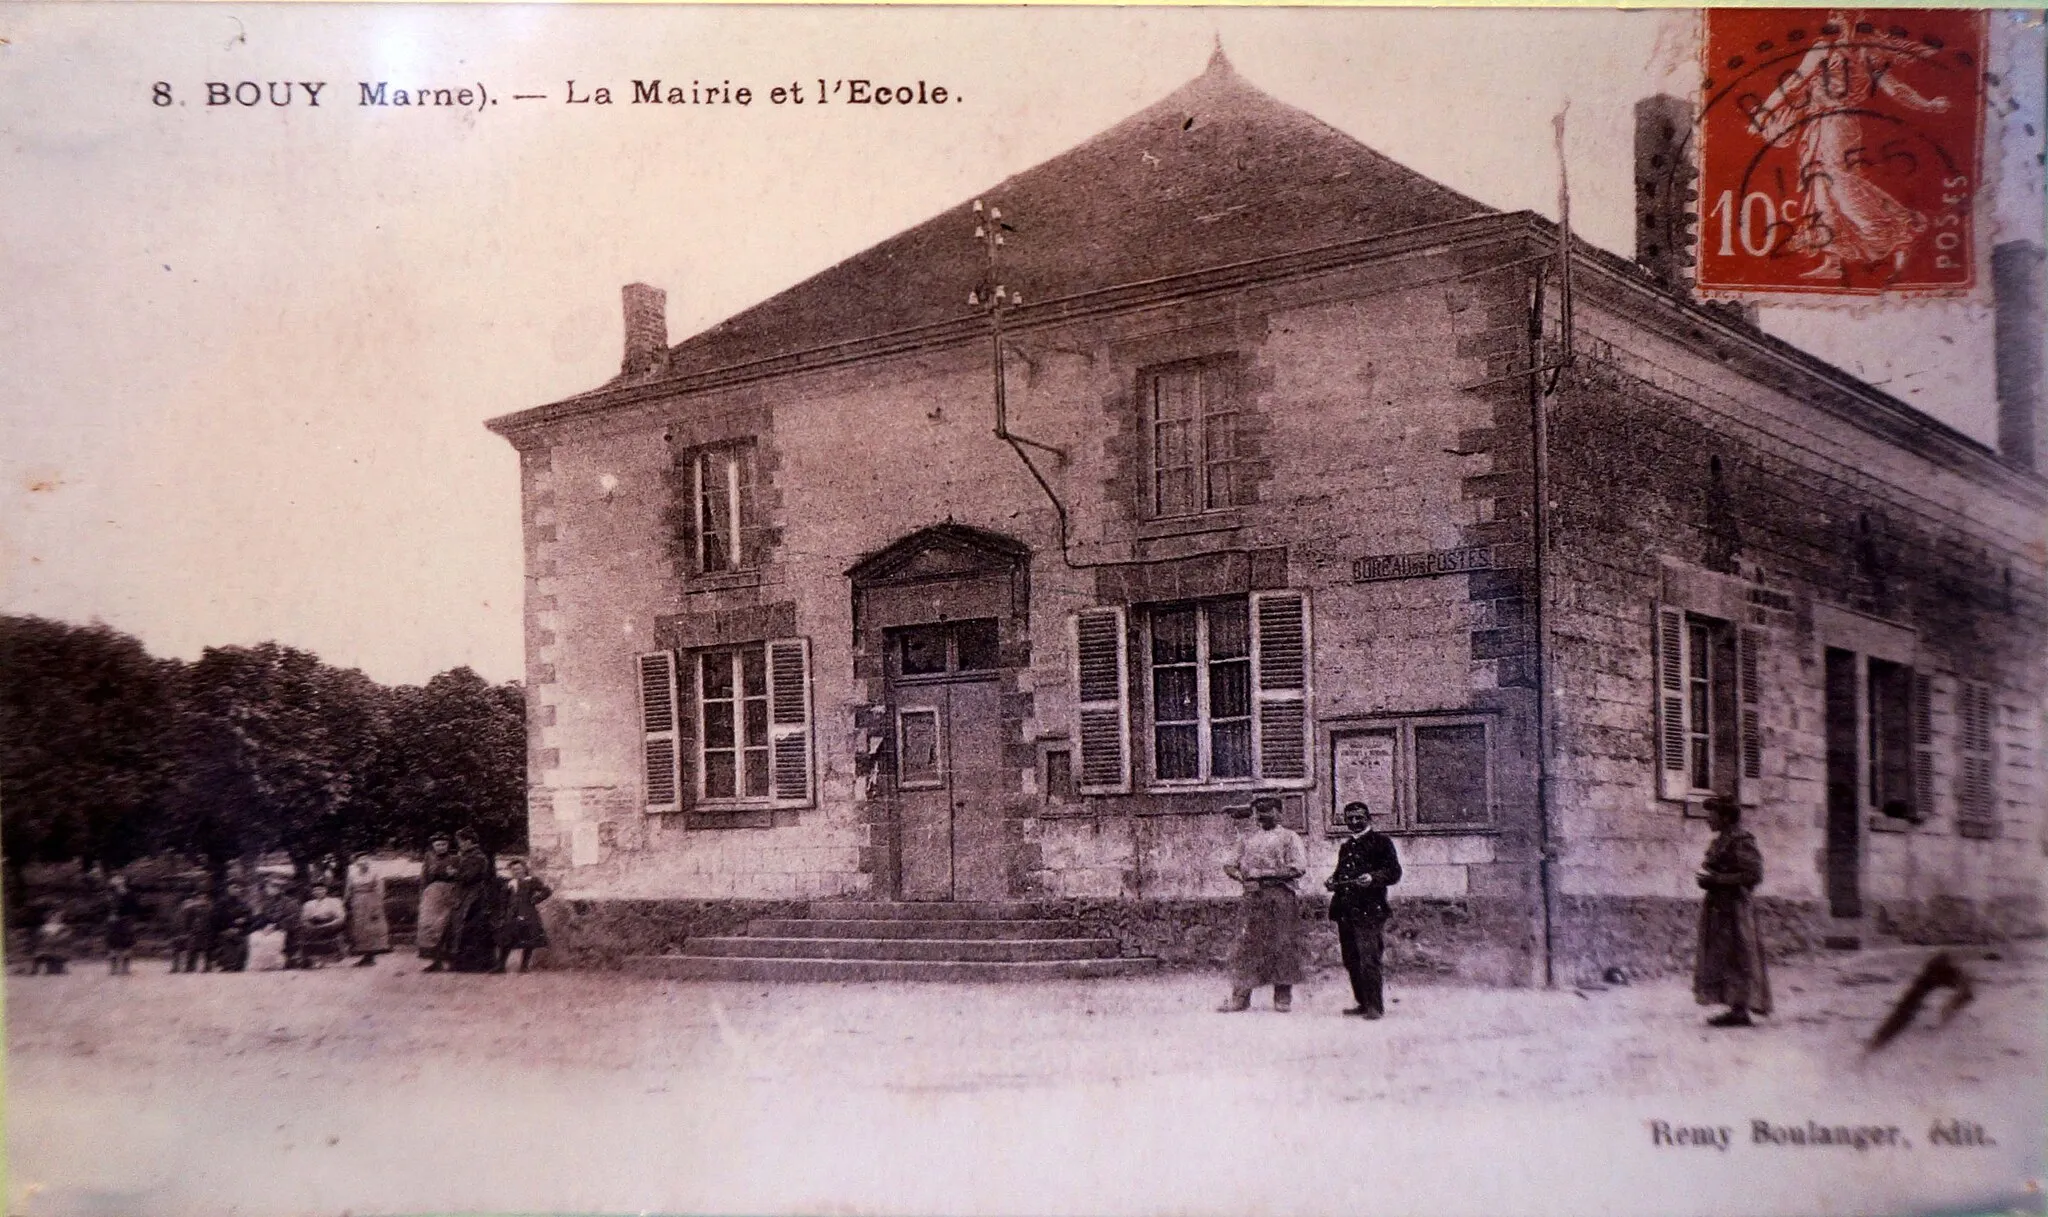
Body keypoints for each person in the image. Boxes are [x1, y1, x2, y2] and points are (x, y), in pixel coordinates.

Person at [1219, 796, 1307, 1013]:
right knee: (1246, 944)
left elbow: (1298, 867)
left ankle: (1282, 997)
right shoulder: (1247, 838)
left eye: (1267, 811)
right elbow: (1229, 865)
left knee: (1283, 943)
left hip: (1281, 895)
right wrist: (1243, 879)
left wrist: (1268, 876)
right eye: (1258, 811)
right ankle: (1240, 997)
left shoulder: (1289, 837)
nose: (1262, 815)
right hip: (1253, 897)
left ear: (1279, 812)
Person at [1694, 795, 1773, 1027]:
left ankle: (1741, 1010)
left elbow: (1754, 875)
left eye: (1713, 813)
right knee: (1723, 956)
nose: (1708, 818)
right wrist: (1706, 880)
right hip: (1719, 908)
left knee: (1739, 955)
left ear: (1726, 817)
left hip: (1736, 909)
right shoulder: (1721, 841)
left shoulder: (1741, 841)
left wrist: (1718, 878)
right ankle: (1734, 1008)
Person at [1326, 801, 1402, 1019]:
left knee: (1369, 958)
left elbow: (1394, 872)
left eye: (1359, 817)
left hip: (1370, 910)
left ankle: (1375, 1007)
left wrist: (1373, 878)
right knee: (1351, 959)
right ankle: (1362, 1002)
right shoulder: (1346, 847)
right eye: (1350, 818)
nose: (1354, 822)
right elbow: (1341, 874)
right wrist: (1332, 881)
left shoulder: (1382, 843)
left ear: (1369, 818)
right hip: (1346, 910)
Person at [441, 829, 502, 974]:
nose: (460, 845)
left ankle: (476, 964)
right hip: (466, 895)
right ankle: (466, 964)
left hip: (474, 896)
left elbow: (470, 877)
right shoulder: (467, 856)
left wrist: (455, 873)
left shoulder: (477, 857)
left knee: (472, 928)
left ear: (469, 841)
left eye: (461, 841)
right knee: (465, 928)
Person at [495, 859, 552, 973]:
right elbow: (503, 901)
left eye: (519, 869)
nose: (516, 872)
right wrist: (502, 915)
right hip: (512, 915)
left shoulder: (532, 881)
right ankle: (501, 966)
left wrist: (536, 899)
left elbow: (547, 891)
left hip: (528, 913)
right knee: (506, 939)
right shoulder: (509, 883)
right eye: (514, 870)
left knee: (528, 940)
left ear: (524, 869)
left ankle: (524, 966)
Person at [416, 836, 458, 972]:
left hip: (450, 892)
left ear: (448, 845)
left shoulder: (455, 858)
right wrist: (422, 895)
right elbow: (424, 878)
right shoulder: (429, 858)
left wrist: (454, 874)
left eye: (444, 844)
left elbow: (461, 877)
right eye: (438, 845)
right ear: (433, 846)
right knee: (431, 926)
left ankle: (452, 962)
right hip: (432, 894)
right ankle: (436, 961)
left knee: (448, 925)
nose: (441, 847)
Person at [344, 856, 392, 966]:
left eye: (365, 860)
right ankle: (364, 955)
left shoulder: (375, 873)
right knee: (359, 928)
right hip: (356, 902)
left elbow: (380, 890)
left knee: (371, 928)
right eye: (360, 860)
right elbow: (348, 889)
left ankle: (371, 956)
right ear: (356, 863)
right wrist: (345, 901)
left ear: (368, 862)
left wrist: (378, 905)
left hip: (371, 901)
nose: (363, 862)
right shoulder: (352, 874)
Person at [102, 875, 147, 976]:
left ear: (122, 882)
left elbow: (135, 908)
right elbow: (105, 908)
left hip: (125, 921)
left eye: (118, 880)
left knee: (126, 944)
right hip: (114, 922)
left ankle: (125, 969)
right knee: (113, 945)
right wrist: (109, 915)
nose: (116, 882)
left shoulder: (128, 894)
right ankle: (114, 969)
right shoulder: (111, 895)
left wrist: (130, 918)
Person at [297, 884, 348, 967]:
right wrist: (309, 925)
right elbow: (304, 919)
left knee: (326, 932)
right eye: (315, 890)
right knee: (305, 932)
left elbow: (340, 917)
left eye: (320, 889)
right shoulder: (308, 904)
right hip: (314, 924)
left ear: (325, 890)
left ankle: (328, 958)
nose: (318, 892)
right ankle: (311, 959)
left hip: (330, 924)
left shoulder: (334, 901)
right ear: (312, 892)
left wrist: (328, 925)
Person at [208, 883, 253, 973]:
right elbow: (215, 918)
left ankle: (238, 966)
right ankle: (227, 965)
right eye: (234, 888)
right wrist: (229, 926)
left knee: (242, 949)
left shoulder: (243, 904)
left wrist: (244, 920)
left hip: (241, 931)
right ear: (228, 889)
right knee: (228, 947)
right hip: (225, 931)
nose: (236, 890)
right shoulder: (221, 904)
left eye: (238, 888)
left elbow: (250, 917)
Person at [170, 888, 213, 973]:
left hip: (205, 933)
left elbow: (211, 921)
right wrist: (187, 931)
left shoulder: (208, 909)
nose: (202, 900)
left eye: (204, 898)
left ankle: (206, 966)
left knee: (205, 949)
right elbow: (187, 921)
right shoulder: (191, 910)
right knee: (191, 949)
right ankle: (188, 967)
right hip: (192, 932)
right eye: (200, 898)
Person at [28, 907, 71, 975]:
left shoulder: (62, 927)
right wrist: (48, 938)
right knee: (40, 954)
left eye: (57, 916)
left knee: (57, 958)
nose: (55, 918)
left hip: (58, 949)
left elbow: (66, 937)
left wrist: (57, 937)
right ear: (49, 917)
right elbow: (40, 939)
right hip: (47, 948)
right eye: (53, 916)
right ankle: (36, 970)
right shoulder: (44, 927)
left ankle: (57, 968)